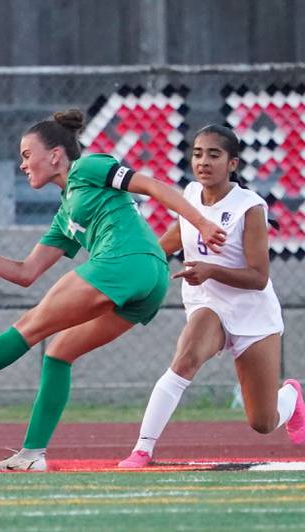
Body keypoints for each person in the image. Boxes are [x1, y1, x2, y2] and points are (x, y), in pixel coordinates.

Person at [0, 109, 228, 472]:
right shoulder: (65, 214)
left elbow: (154, 186)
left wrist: (202, 223)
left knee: (30, 327)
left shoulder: (87, 167)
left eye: (26, 154)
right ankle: (32, 454)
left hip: (128, 261)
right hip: (149, 280)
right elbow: (25, 273)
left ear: (55, 155)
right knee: (59, 352)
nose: (22, 164)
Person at [118, 125, 305, 468]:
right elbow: (171, 241)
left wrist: (210, 269)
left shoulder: (250, 208)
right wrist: (134, 267)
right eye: (198, 153)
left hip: (252, 312)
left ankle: (292, 397)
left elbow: (259, 278)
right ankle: (142, 449)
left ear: (233, 164)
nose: (203, 161)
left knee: (262, 422)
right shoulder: (189, 195)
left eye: (214, 155)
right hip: (208, 303)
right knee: (186, 358)